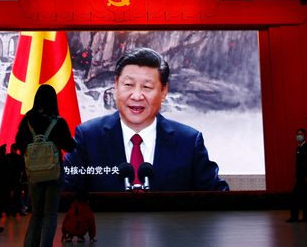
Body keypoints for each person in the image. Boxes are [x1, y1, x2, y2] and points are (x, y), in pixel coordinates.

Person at [64, 47, 228, 192]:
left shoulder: (188, 141)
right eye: (128, 85)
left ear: (163, 91)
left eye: (147, 87)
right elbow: (63, 194)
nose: (136, 96)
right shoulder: (88, 137)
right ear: (115, 85)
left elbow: (218, 198)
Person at [15, 84, 76, 247]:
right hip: (53, 173)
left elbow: (19, 143)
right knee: (49, 216)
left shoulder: (27, 120)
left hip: (34, 174)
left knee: (36, 215)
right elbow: (70, 146)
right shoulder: (58, 122)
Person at [286, 128, 307, 222]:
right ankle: (304, 217)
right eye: (297, 134)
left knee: (296, 197)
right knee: (303, 197)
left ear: (305, 136)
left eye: (301, 134)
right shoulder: (299, 147)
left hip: (304, 177)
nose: (299, 136)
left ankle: (296, 217)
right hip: (300, 177)